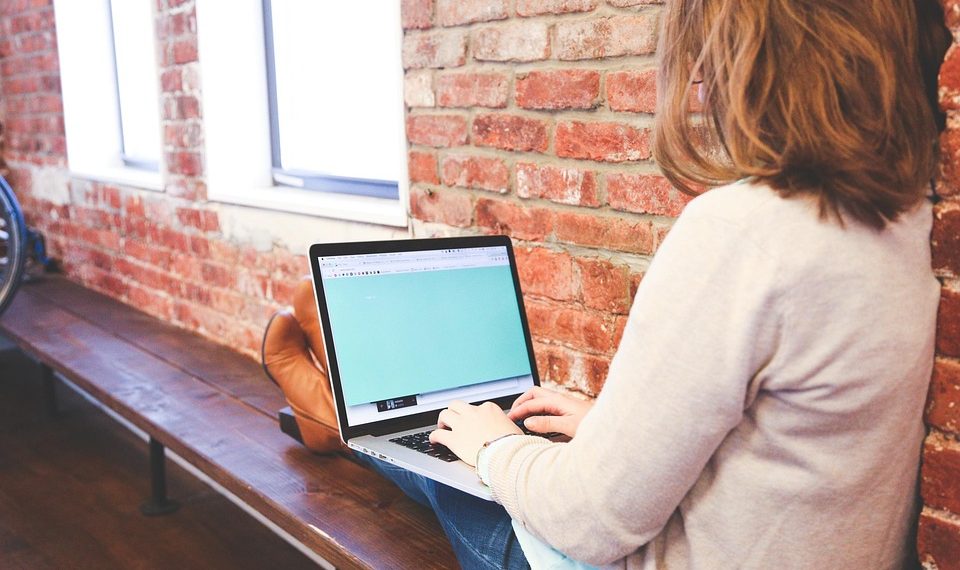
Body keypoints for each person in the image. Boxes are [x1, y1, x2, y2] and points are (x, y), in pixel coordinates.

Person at [263, 0, 951, 567]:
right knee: (473, 436)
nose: (699, 75)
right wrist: (613, 433)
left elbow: (593, 525)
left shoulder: (744, 233)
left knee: (457, 466)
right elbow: (788, 446)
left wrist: (497, 447)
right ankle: (345, 414)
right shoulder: (917, 223)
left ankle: (332, 412)